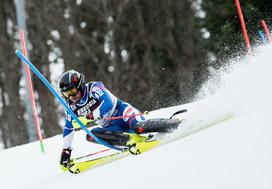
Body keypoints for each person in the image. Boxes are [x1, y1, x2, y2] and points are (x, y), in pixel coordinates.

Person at [59, 70, 148, 170]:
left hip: (122, 113)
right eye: (66, 94)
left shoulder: (94, 88)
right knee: (91, 135)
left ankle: (164, 125)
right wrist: (66, 150)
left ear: (80, 85)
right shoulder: (70, 107)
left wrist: (89, 117)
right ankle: (128, 140)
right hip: (111, 126)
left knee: (139, 127)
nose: (71, 97)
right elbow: (68, 127)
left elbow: (108, 103)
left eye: (73, 91)